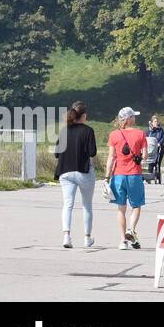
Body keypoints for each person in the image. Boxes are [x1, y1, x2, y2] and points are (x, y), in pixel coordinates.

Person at [54, 100, 97, 249]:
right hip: (83, 171)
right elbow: (92, 152)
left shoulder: (64, 131)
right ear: (83, 115)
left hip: (65, 172)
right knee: (86, 205)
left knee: (68, 204)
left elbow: (56, 153)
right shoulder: (88, 131)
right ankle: (87, 238)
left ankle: (66, 236)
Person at [106, 107, 147, 250]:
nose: (135, 118)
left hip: (118, 175)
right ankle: (131, 228)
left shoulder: (114, 135)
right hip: (134, 175)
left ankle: (123, 240)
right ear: (129, 119)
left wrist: (107, 176)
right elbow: (145, 156)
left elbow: (111, 157)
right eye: (133, 116)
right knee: (136, 206)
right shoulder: (141, 134)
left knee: (120, 209)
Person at [145, 115, 164, 183]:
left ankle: (157, 175)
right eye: (155, 121)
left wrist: (159, 144)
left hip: (159, 149)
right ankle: (149, 176)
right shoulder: (148, 130)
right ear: (151, 122)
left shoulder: (160, 130)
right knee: (150, 163)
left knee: (157, 163)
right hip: (150, 149)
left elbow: (163, 138)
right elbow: (145, 138)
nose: (156, 123)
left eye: (157, 121)